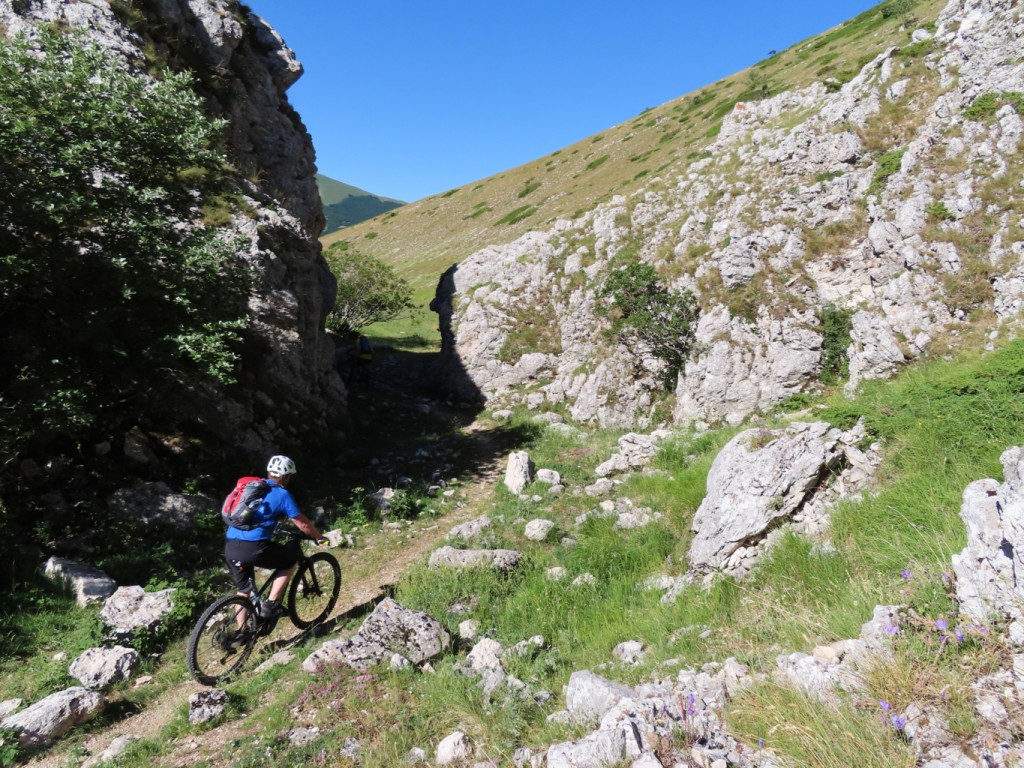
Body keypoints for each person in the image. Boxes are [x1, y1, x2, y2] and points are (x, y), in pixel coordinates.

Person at [224, 455, 326, 621]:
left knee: (244, 591)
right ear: (285, 477)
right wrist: (319, 537)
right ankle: (271, 605)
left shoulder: (252, 488)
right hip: (254, 547)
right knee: (289, 562)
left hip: (230, 545)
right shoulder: (281, 494)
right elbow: (302, 523)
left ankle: (240, 634)